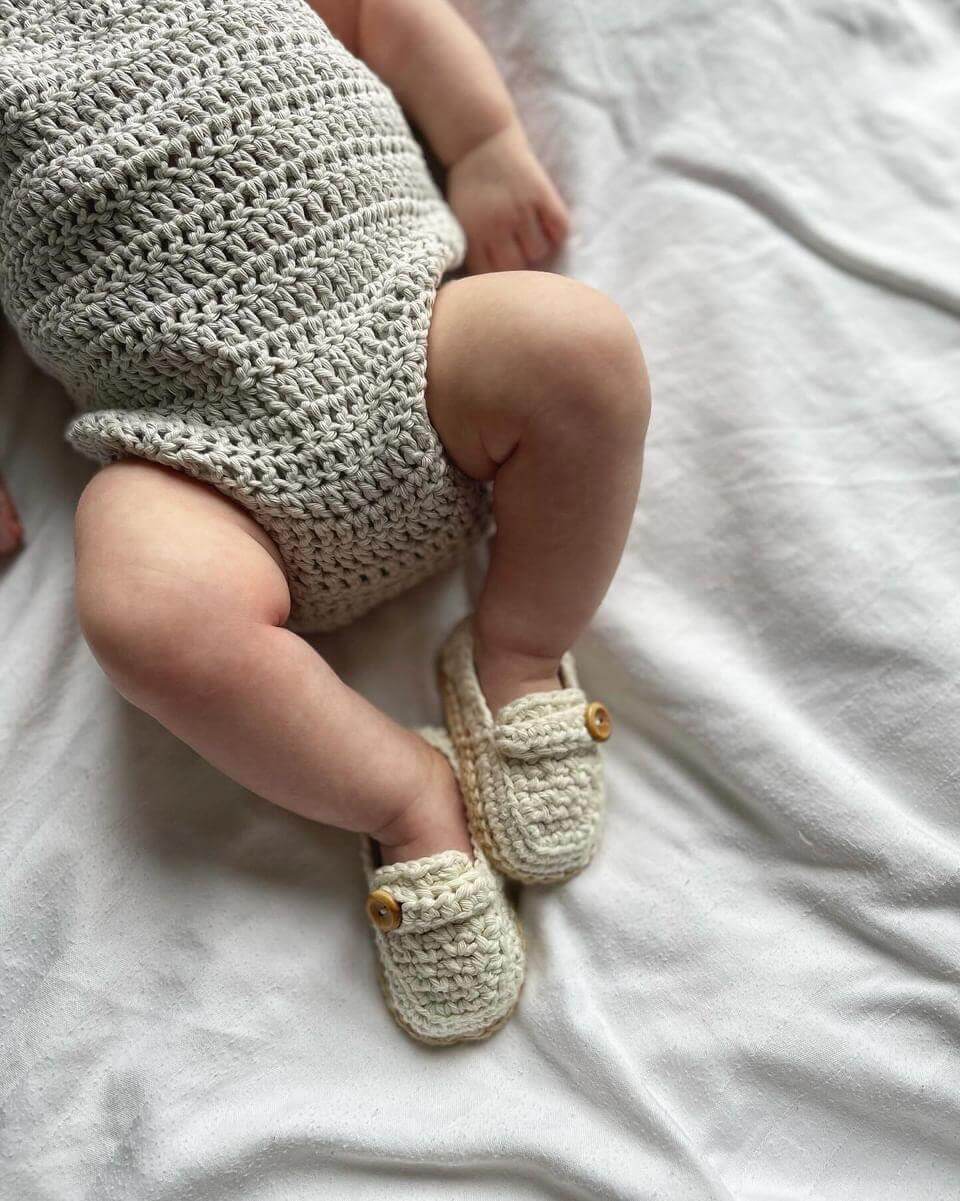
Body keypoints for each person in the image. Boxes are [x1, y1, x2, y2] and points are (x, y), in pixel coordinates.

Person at [0, 0, 649, 1044]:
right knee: (141, 613)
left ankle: (519, 651)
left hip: (418, 351)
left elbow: (388, 17)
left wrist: (482, 144)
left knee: (581, 350)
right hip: (198, 463)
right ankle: (405, 799)